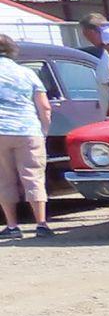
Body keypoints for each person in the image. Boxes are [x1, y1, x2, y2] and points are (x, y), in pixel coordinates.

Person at [0, 36, 54, 239]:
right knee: (33, 177)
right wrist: (44, 131)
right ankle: (41, 223)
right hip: (28, 130)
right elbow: (45, 107)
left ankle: (12, 226)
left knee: (4, 179)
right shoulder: (27, 73)